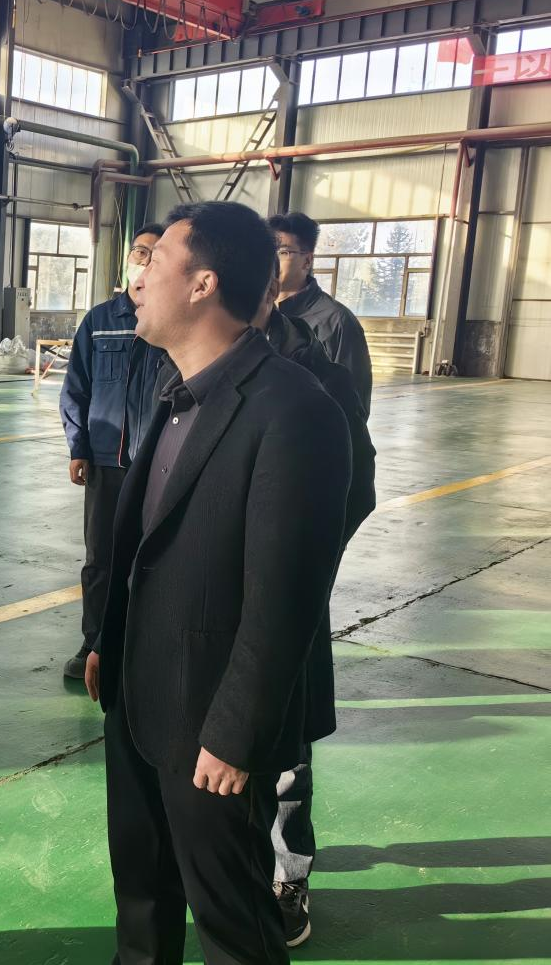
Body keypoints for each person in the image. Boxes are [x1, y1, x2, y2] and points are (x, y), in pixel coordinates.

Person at [84, 201, 351, 965]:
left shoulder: (292, 410)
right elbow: (146, 545)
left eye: (154, 262)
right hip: (139, 698)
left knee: (233, 924)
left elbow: (286, 599)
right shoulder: (176, 392)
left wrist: (235, 732)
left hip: (211, 724)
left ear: (203, 284)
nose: (137, 279)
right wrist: (107, 641)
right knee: (142, 898)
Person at [252, 280, 377, 946]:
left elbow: (357, 482)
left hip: (285, 594)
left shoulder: (317, 375)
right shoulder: (184, 368)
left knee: (285, 741)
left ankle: (288, 873)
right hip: (205, 602)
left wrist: (302, 566)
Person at [58, 223, 167, 679]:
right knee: (101, 559)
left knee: (154, 560)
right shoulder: (100, 321)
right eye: (139, 252)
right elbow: (76, 387)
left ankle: (143, 648)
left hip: (160, 466)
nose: (144, 261)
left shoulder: (172, 323)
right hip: (107, 464)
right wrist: (78, 447)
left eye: (156, 255)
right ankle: (94, 643)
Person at [269, 211, 373, 415]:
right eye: (268, 251)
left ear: (307, 261)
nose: (272, 260)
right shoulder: (254, 312)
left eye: (283, 252)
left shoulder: (337, 321)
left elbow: (354, 404)